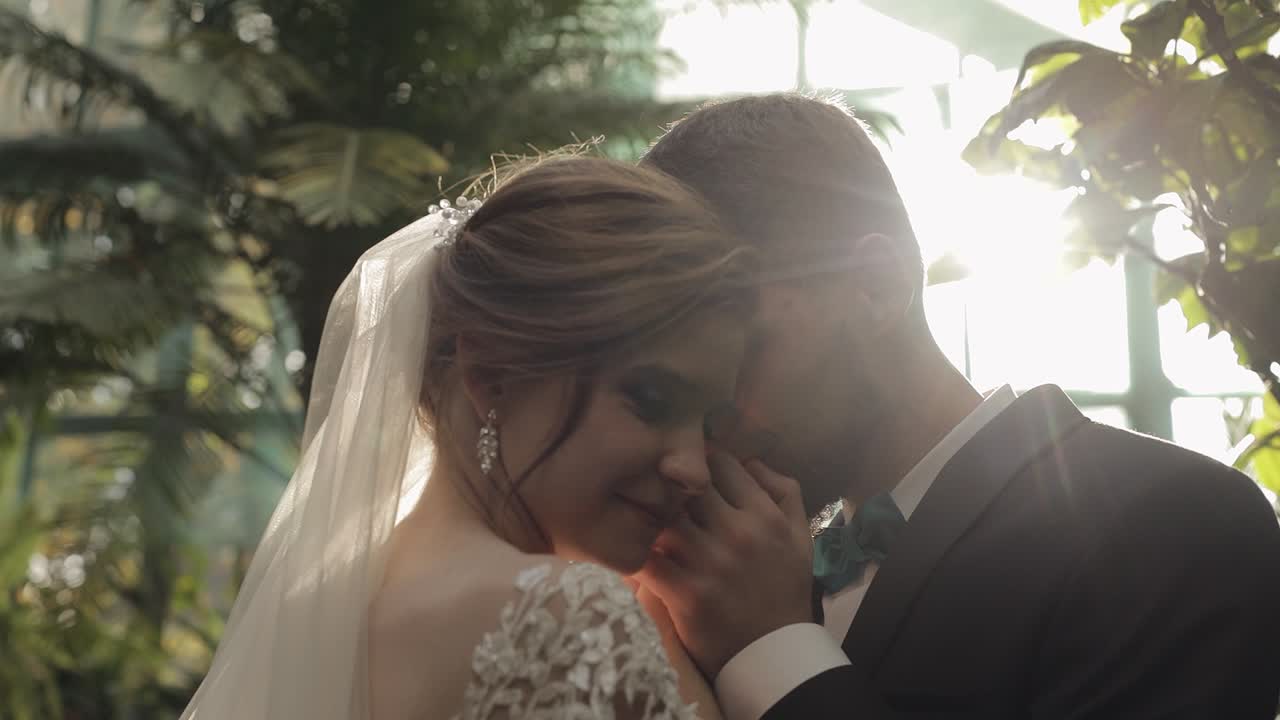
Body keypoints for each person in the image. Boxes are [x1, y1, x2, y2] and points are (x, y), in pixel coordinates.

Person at [638, 92, 1280, 719]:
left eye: (736, 360)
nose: (699, 439)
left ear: (875, 286)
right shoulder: (755, 571)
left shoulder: (1174, 521)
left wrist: (770, 649)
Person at [177, 155, 764, 719]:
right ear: (493, 376)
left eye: (709, 426)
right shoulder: (568, 618)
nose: (695, 468)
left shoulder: (314, 613)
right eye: (653, 401)